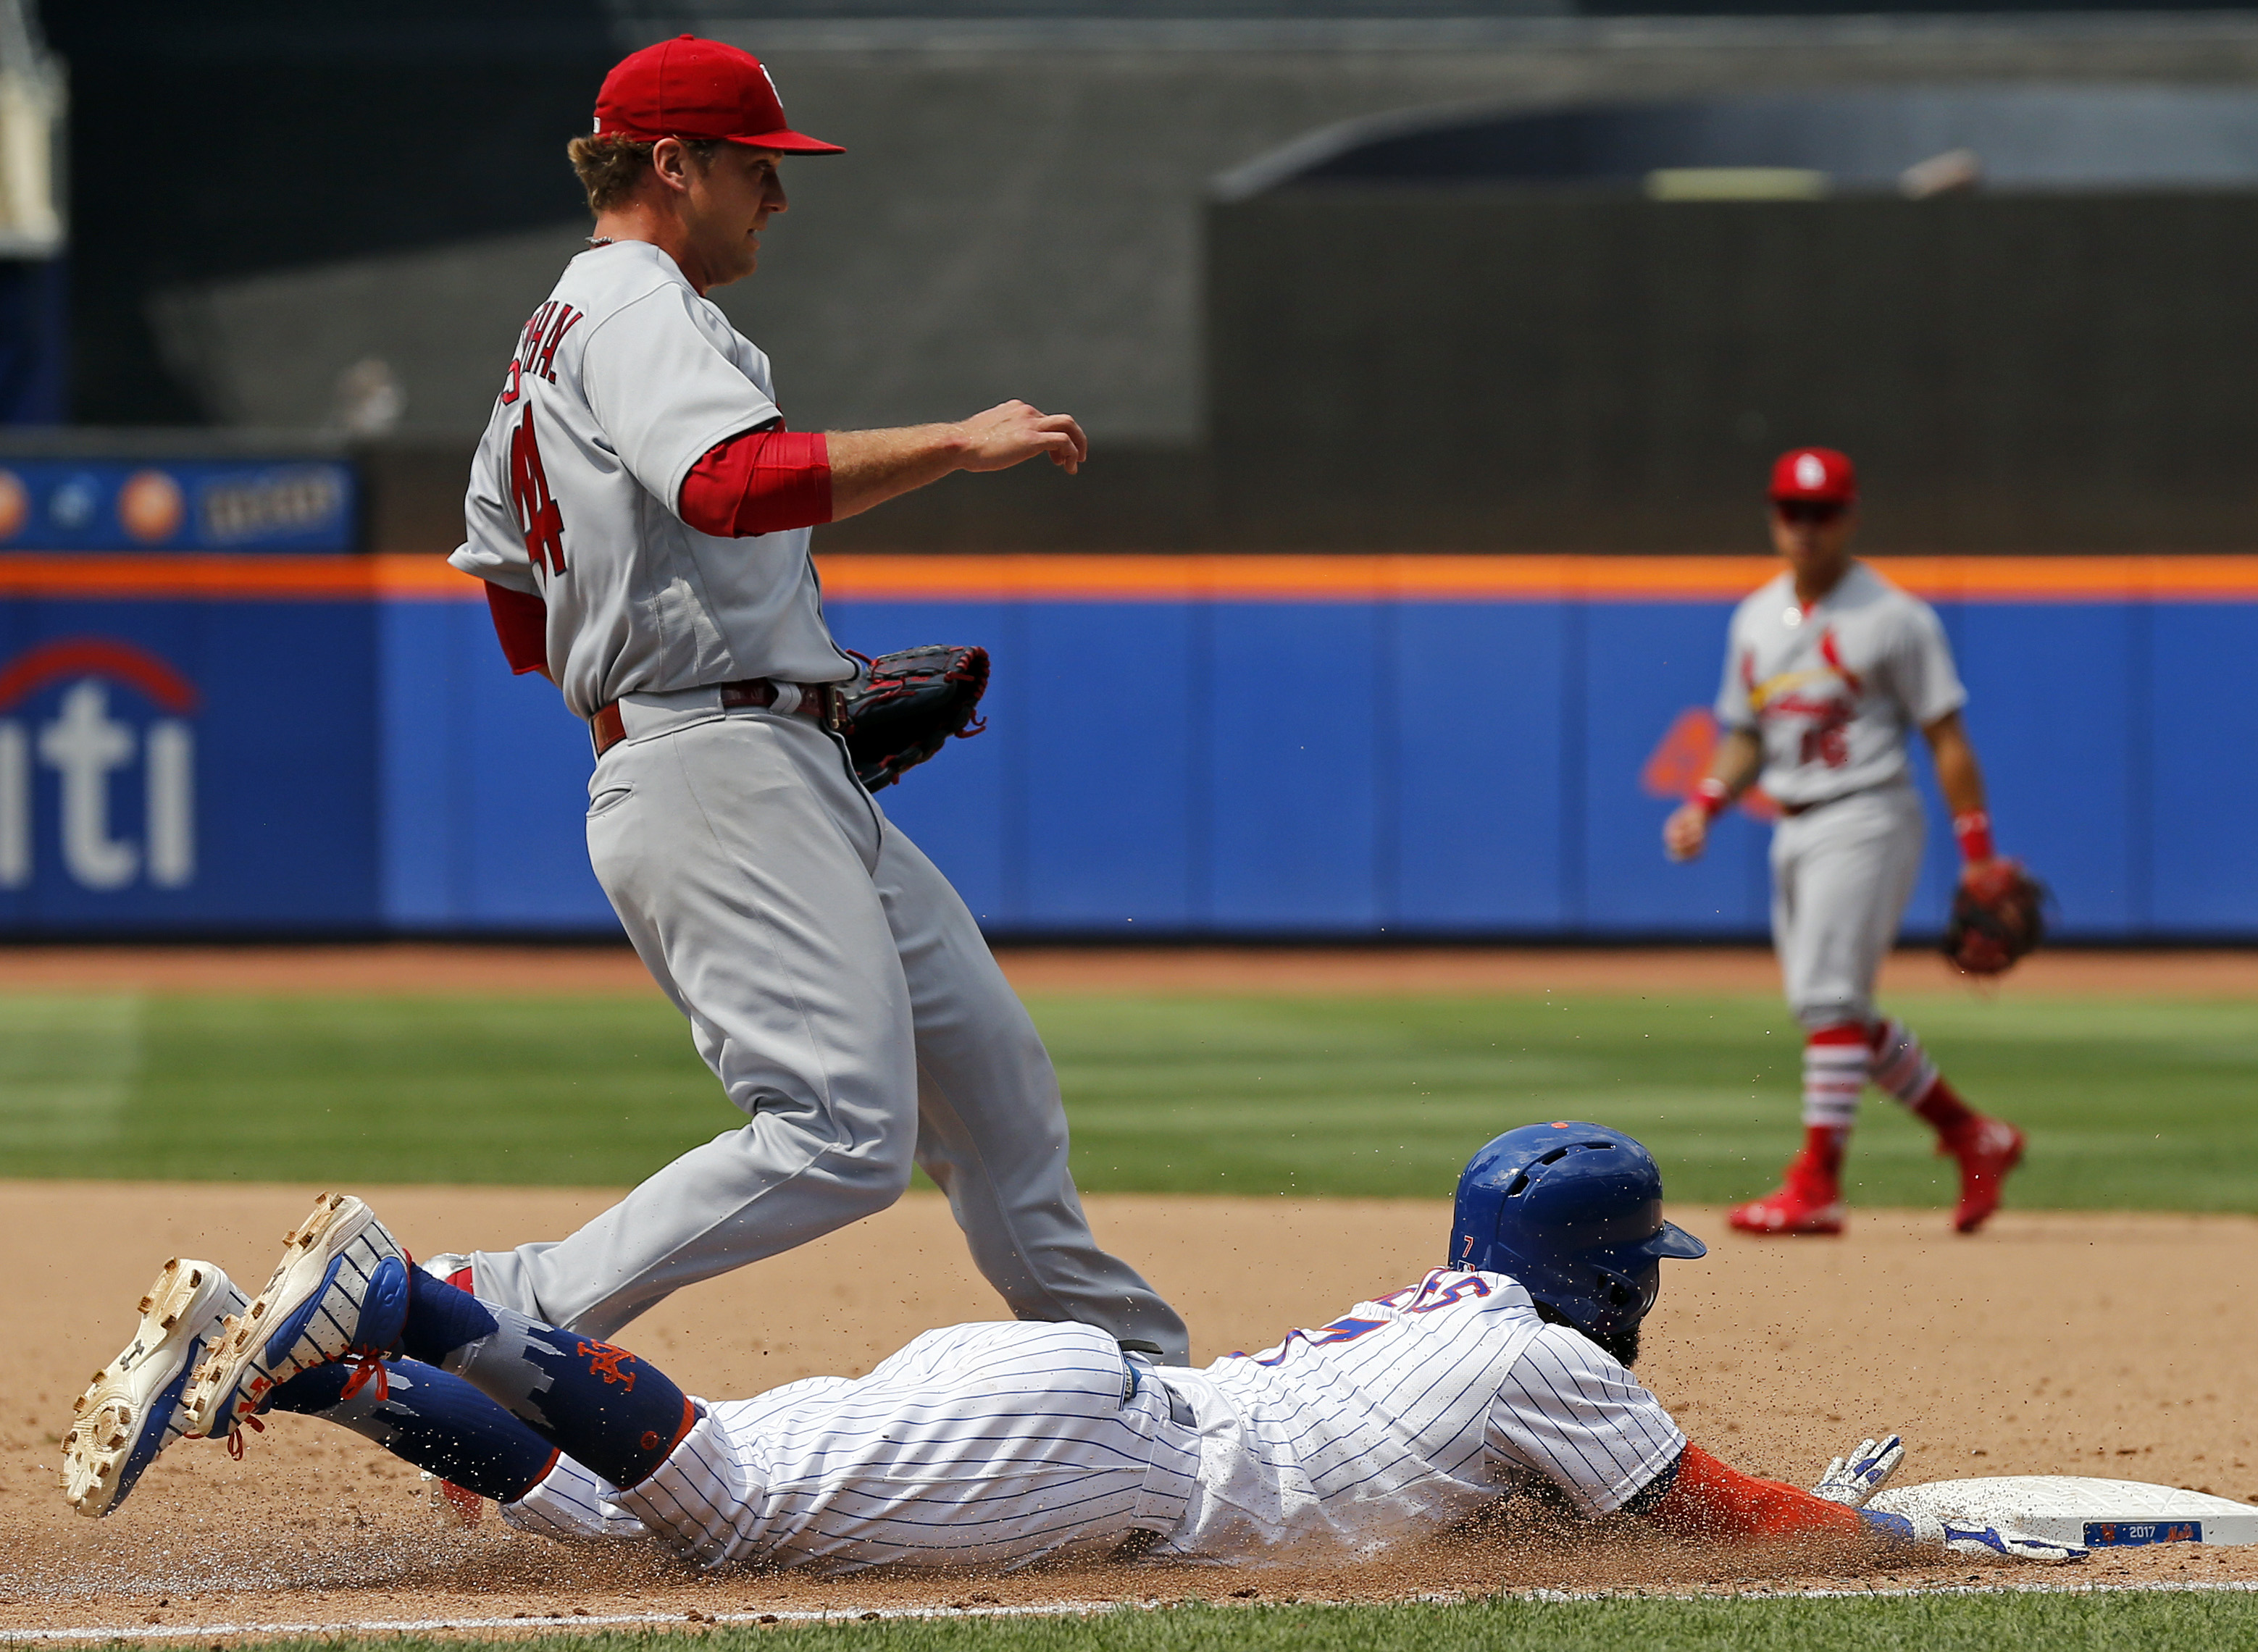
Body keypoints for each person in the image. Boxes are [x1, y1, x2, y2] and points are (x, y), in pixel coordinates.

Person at [436, 33, 1184, 1361]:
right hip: (714, 761)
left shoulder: (550, 336)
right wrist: (956, 445)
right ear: (672, 164)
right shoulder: (632, 307)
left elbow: (510, 588)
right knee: (840, 1133)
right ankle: (499, 1309)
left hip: (754, 753)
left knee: (991, 1080)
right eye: (755, 168)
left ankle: (1140, 1382)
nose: (776, 197)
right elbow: (727, 482)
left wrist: (753, 687)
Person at [65, 1125, 2082, 1572]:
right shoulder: (1562, 1371)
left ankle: (359, 1344)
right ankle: (372, 1322)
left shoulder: (1464, 1316)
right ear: (1600, 1270)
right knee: (727, 1511)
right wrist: (1894, 1543)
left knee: (650, 1512)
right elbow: (1731, 1523)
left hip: (1083, 1414)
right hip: (1107, 1458)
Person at [1663, 449, 2026, 1238]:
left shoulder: (1892, 617)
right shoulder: (1754, 619)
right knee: (1830, 1009)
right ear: (1772, 516)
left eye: (1821, 511)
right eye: (1791, 511)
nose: (1804, 526)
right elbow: (1743, 736)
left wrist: (1978, 852)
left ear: (1849, 517)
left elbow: (1947, 737)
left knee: (1827, 1001)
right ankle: (1972, 1135)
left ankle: (1816, 1181)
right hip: (1791, 825)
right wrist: (1706, 799)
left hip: (1866, 813)